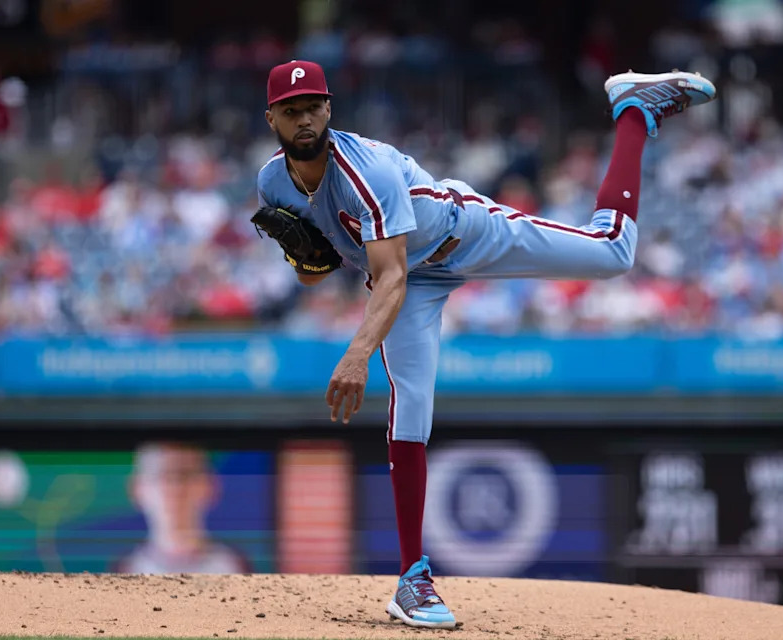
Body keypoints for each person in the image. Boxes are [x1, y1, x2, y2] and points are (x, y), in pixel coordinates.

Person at [255, 59, 716, 628]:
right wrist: (304, 259)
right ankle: (411, 581)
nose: (305, 118)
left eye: (314, 106)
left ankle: (632, 110)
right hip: (408, 278)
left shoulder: (364, 171)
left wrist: (356, 354)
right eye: (292, 110)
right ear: (272, 116)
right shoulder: (272, 181)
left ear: (329, 108)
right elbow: (316, 272)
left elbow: (391, 275)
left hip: (461, 235)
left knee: (612, 253)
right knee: (410, 408)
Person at [113, 442, 252, 574]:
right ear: (137, 488)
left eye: (185, 475)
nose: (175, 489)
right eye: (162, 475)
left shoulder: (235, 567)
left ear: (210, 485)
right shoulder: (124, 572)